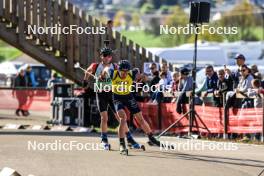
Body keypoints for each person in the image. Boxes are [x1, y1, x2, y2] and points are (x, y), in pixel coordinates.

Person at [84, 48, 141, 151]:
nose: (107, 57)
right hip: (101, 93)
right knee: (104, 118)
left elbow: (124, 74)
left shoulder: (114, 66)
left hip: (112, 94)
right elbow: (87, 71)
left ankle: (129, 139)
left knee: (121, 118)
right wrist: (85, 80)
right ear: (101, 56)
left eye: (109, 55)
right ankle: (104, 140)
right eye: (105, 55)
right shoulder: (95, 66)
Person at [105, 60, 161, 152]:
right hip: (117, 98)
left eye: (126, 72)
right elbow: (106, 69)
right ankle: (122, 144)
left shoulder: (131, 73)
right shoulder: (113, 74)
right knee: (123, 118)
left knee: (140, 118)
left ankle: (151, 137)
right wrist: (103, 74)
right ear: (118, 70)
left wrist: (138, 78)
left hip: (128, 97)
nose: (124, 74)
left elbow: (137, 70)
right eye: (123, 71)